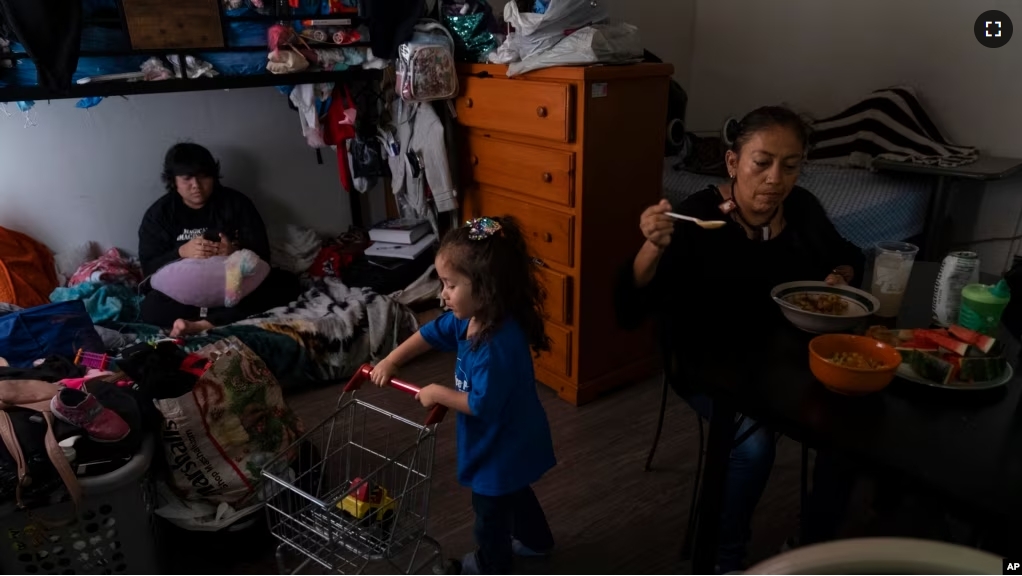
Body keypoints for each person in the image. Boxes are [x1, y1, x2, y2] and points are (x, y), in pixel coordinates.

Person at [615, 106, 865, 573]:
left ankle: (813, 545)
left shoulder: (803, 209)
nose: (775, 179)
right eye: (761, 162)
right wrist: (651, 245)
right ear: (733, 163)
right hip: (707, 364)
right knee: (753, 446)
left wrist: (840, 273)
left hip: (785, 361)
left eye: (790, 166)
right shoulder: (697, 219)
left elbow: (847, 254)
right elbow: (629, 309)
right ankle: (725, 559)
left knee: (849, 429)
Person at [370, 216, 556, 575]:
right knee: (515, 493)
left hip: (501, 445)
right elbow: (429, 333)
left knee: (490, 511)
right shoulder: (468, 320)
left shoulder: (497, 346)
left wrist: (439, 393)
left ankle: (490, 565)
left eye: (450, 285)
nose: (442, 294)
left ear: (486, 289)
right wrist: (391, 360)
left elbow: (482, 405)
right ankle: (537, 542)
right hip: (507, 439)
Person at [138, 142, 295, 337]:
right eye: (187, 178)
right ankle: (218, 318)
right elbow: (148, 271)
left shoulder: (236, 203)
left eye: (203, 176)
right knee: (150, 307)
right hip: (186, 294)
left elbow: (263, 255)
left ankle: (203, 323)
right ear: (173, 181)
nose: (196, 186)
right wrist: (181, 252)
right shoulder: (159, 214)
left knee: (287, 284)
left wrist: (234, 251)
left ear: (214, 176)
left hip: (235, 287)